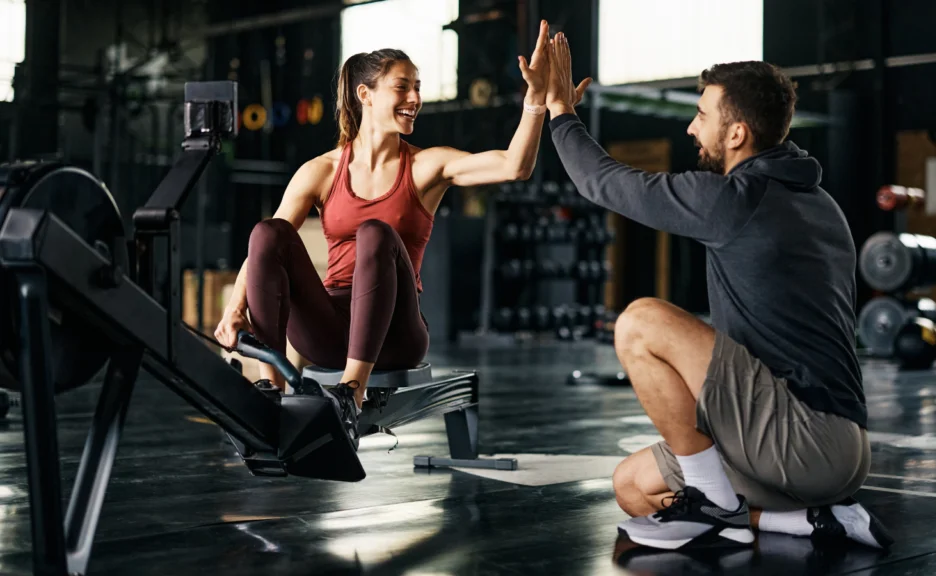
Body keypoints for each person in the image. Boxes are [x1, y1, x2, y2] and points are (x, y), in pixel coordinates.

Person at [544, 36, 893, 550]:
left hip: (802, 437)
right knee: (633, 488)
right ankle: (806, 522)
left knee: (640, 321)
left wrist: (559, 111)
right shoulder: (820, 202)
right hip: (841, 447)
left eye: (702, 115)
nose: (691, 127)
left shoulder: (737, 199)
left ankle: (715, 503)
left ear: (736, 132)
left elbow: (602, 182)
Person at [215, 21, 555, 447]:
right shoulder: (321, 170)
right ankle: (272, 390)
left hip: (396, 332)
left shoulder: (427, 166)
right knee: (269, 231)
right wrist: (233, 309)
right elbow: (263, 252)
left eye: (418, 87)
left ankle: (350, 397)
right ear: (366, 94)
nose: (415, 98)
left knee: (375, 232)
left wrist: (536, 100)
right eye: (402, 87)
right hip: (326, 331)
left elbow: (513, 166)